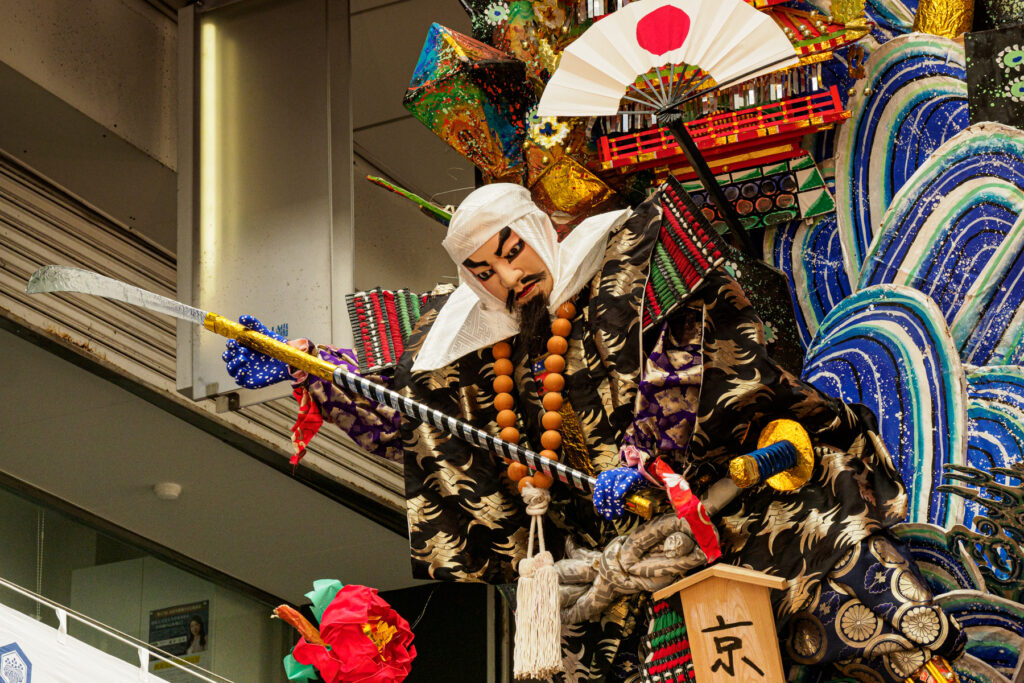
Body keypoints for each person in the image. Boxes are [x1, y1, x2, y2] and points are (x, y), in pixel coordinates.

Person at [224, 183, 964, 682]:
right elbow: (409, 416)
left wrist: (646, 456)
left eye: (512, 251)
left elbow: (697, 352)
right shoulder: (482, 358)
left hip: (734, 497)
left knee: (841, 563)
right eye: (483, 271)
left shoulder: (633, 261)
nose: (508, 278)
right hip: (616, 566)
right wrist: (307, 368)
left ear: (542, 232)